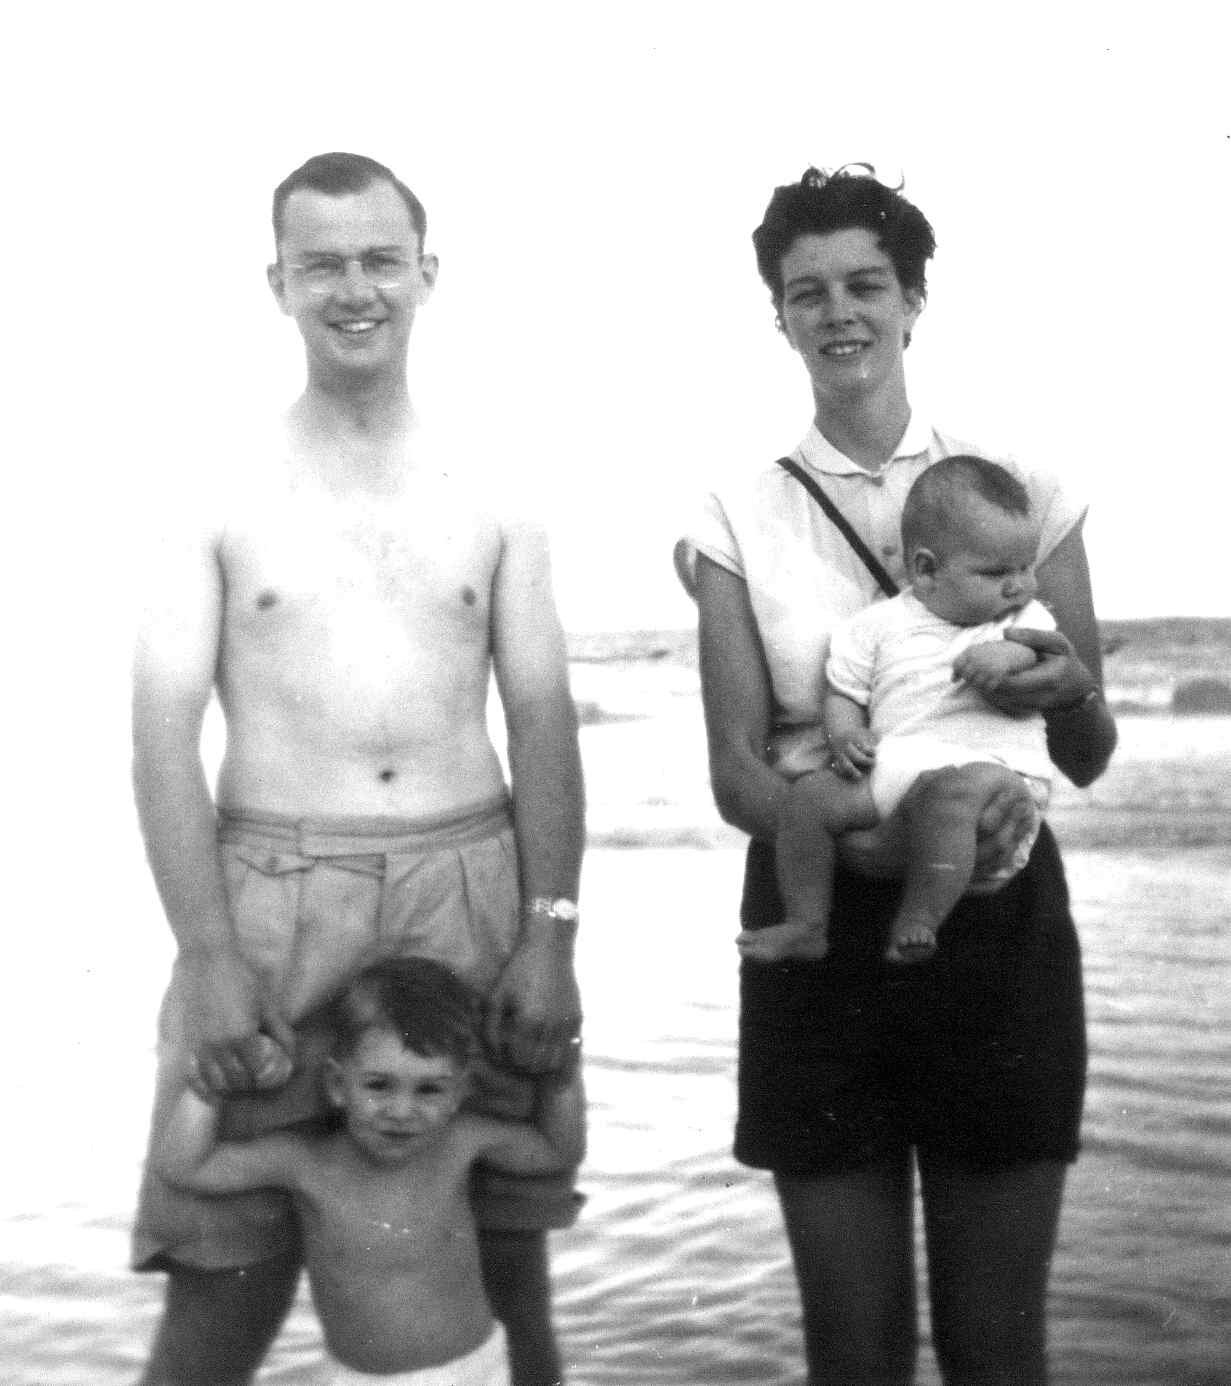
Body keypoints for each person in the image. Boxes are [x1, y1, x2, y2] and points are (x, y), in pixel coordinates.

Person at [131, 151, 586, 1386]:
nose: (354, 288)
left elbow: (541, 719)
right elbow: (163, 735)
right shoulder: (211, 485)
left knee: (507, 1286)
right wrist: (210, 955)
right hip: (275, 891)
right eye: (321, 263)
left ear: (427, 275)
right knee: (216, 1293)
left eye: (380, 258)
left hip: (469, 881)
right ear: (275, 282)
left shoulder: (498, 482)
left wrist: (550, 932)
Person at [677, 165, 1117, 1384]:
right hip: (817, 936)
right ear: (776, 315)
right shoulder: (734, 508)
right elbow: (731, 773)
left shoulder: (1019, 481)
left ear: (915, 298)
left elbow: (1088, 757)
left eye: (865, 283)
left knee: (994, 1350)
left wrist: (1070, 688)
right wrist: (863, 844)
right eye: (805, 291)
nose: (838, 313)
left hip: (996, 929)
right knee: (851, 1356)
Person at [153, 957, 587, 1386]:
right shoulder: (308, 1163)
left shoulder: (461, 1143)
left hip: (474, 1372)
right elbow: (186, 1168)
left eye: (430, 1089)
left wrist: (561, 1082)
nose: (401, 1111)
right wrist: (207, 1091)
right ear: (338, 1086)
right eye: (378, 1085)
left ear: (460, 1092)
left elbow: (555, 1153)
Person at [739, 454, 1057, 967]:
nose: (1019, 584)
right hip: (898, 765)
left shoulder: (1021, 617)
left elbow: (1046, 652)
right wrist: (846, 736)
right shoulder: (878, 625)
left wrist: (1009, 653)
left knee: (951, 796)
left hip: (993, 773)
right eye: (997, 572)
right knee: (809, 799)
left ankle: (920, 919)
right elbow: (845, 691)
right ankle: (806, 923)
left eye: (1026, 566)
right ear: (926, 570)